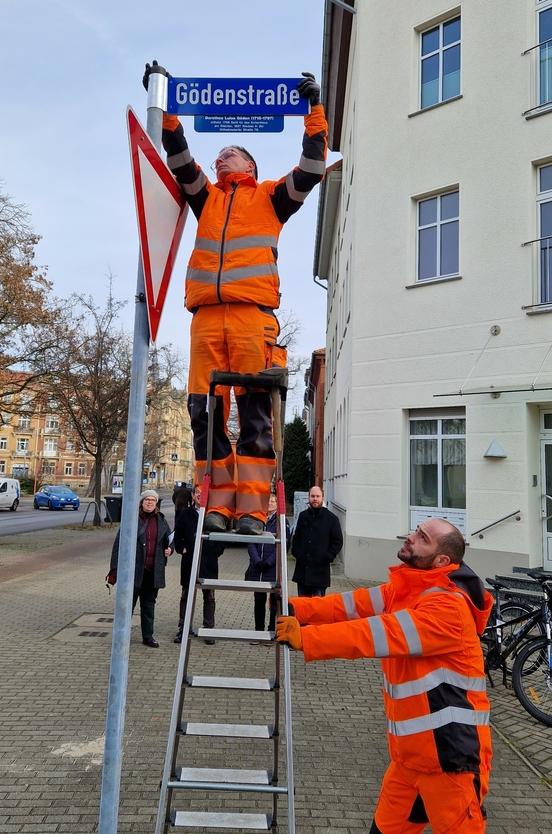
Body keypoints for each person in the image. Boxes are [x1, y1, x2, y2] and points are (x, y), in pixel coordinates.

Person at [143, 61, 328, 537]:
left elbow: (312, 168)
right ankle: (220, 503)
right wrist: (166, 108)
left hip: (251, 320)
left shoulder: (269, 198)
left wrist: (314, 109)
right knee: (203, 413)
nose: (221, 156)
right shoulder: (207, 198)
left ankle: (251, 509)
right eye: (219, 154)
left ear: (251, 167)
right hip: (204, 319)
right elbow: (181, 160)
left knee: (254, 414)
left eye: (232, 153)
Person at [277, 518, 494, 834]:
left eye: (422, 537)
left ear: (442, 560)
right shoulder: (407, 588)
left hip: (449, 763)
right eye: (415, 530)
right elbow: (352, 605)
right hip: (408, 761)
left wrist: (308, 638)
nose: (411, 536)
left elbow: (373, 634)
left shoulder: (448, 608)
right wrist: (298, 609)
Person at [109, 489, 173, 648]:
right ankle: (122, 636)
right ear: (141, 503)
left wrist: (170, 549)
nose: (150, 502)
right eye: (147, 500)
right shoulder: (131, 520)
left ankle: (148, 636)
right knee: (127, 605)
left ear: (156, 503)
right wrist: (114, 569)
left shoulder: (161, 521)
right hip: (133, 572)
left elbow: (170, 540)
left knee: (148, 605)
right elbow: (118, 545)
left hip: (153, 572)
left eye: (153, 500)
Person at [173, 483, 224, 645]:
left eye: (204, 493)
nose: (201, 495)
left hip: (209, 562)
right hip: (189, 561)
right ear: (193, 495)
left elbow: (222, 537)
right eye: (198, 493)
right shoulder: (185, 514)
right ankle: (184, 628)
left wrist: (215, 551)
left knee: (209, 596)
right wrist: (182, 549)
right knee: (187, 595)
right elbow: (178, 535)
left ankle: (209, 629)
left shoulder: (215, 515)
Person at [246, 493, 290, 638]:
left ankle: (272, 632)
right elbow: (250, 541)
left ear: (278, 504)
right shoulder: (257, 519)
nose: (270, 503)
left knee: (273, 601)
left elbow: (284, 544)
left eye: (273, 501)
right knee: (258, 600)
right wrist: (257, 560)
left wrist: (269, 562)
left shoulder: (281, 521)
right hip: (257, 567)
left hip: (272, 568)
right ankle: (258, 632)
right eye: (268, 500)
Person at [291, 485, 343, 596]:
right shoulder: (302, 516)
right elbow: (296, 537)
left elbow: (338, 541)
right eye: (312, 496)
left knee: (317, 609)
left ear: (322, 498)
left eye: (317, 496)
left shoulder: (332, 519)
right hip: (302, 571)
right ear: (309, 497)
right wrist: (296, 553)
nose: (315, 499)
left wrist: (328, 556)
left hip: (320, 572)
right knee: (303, 607)